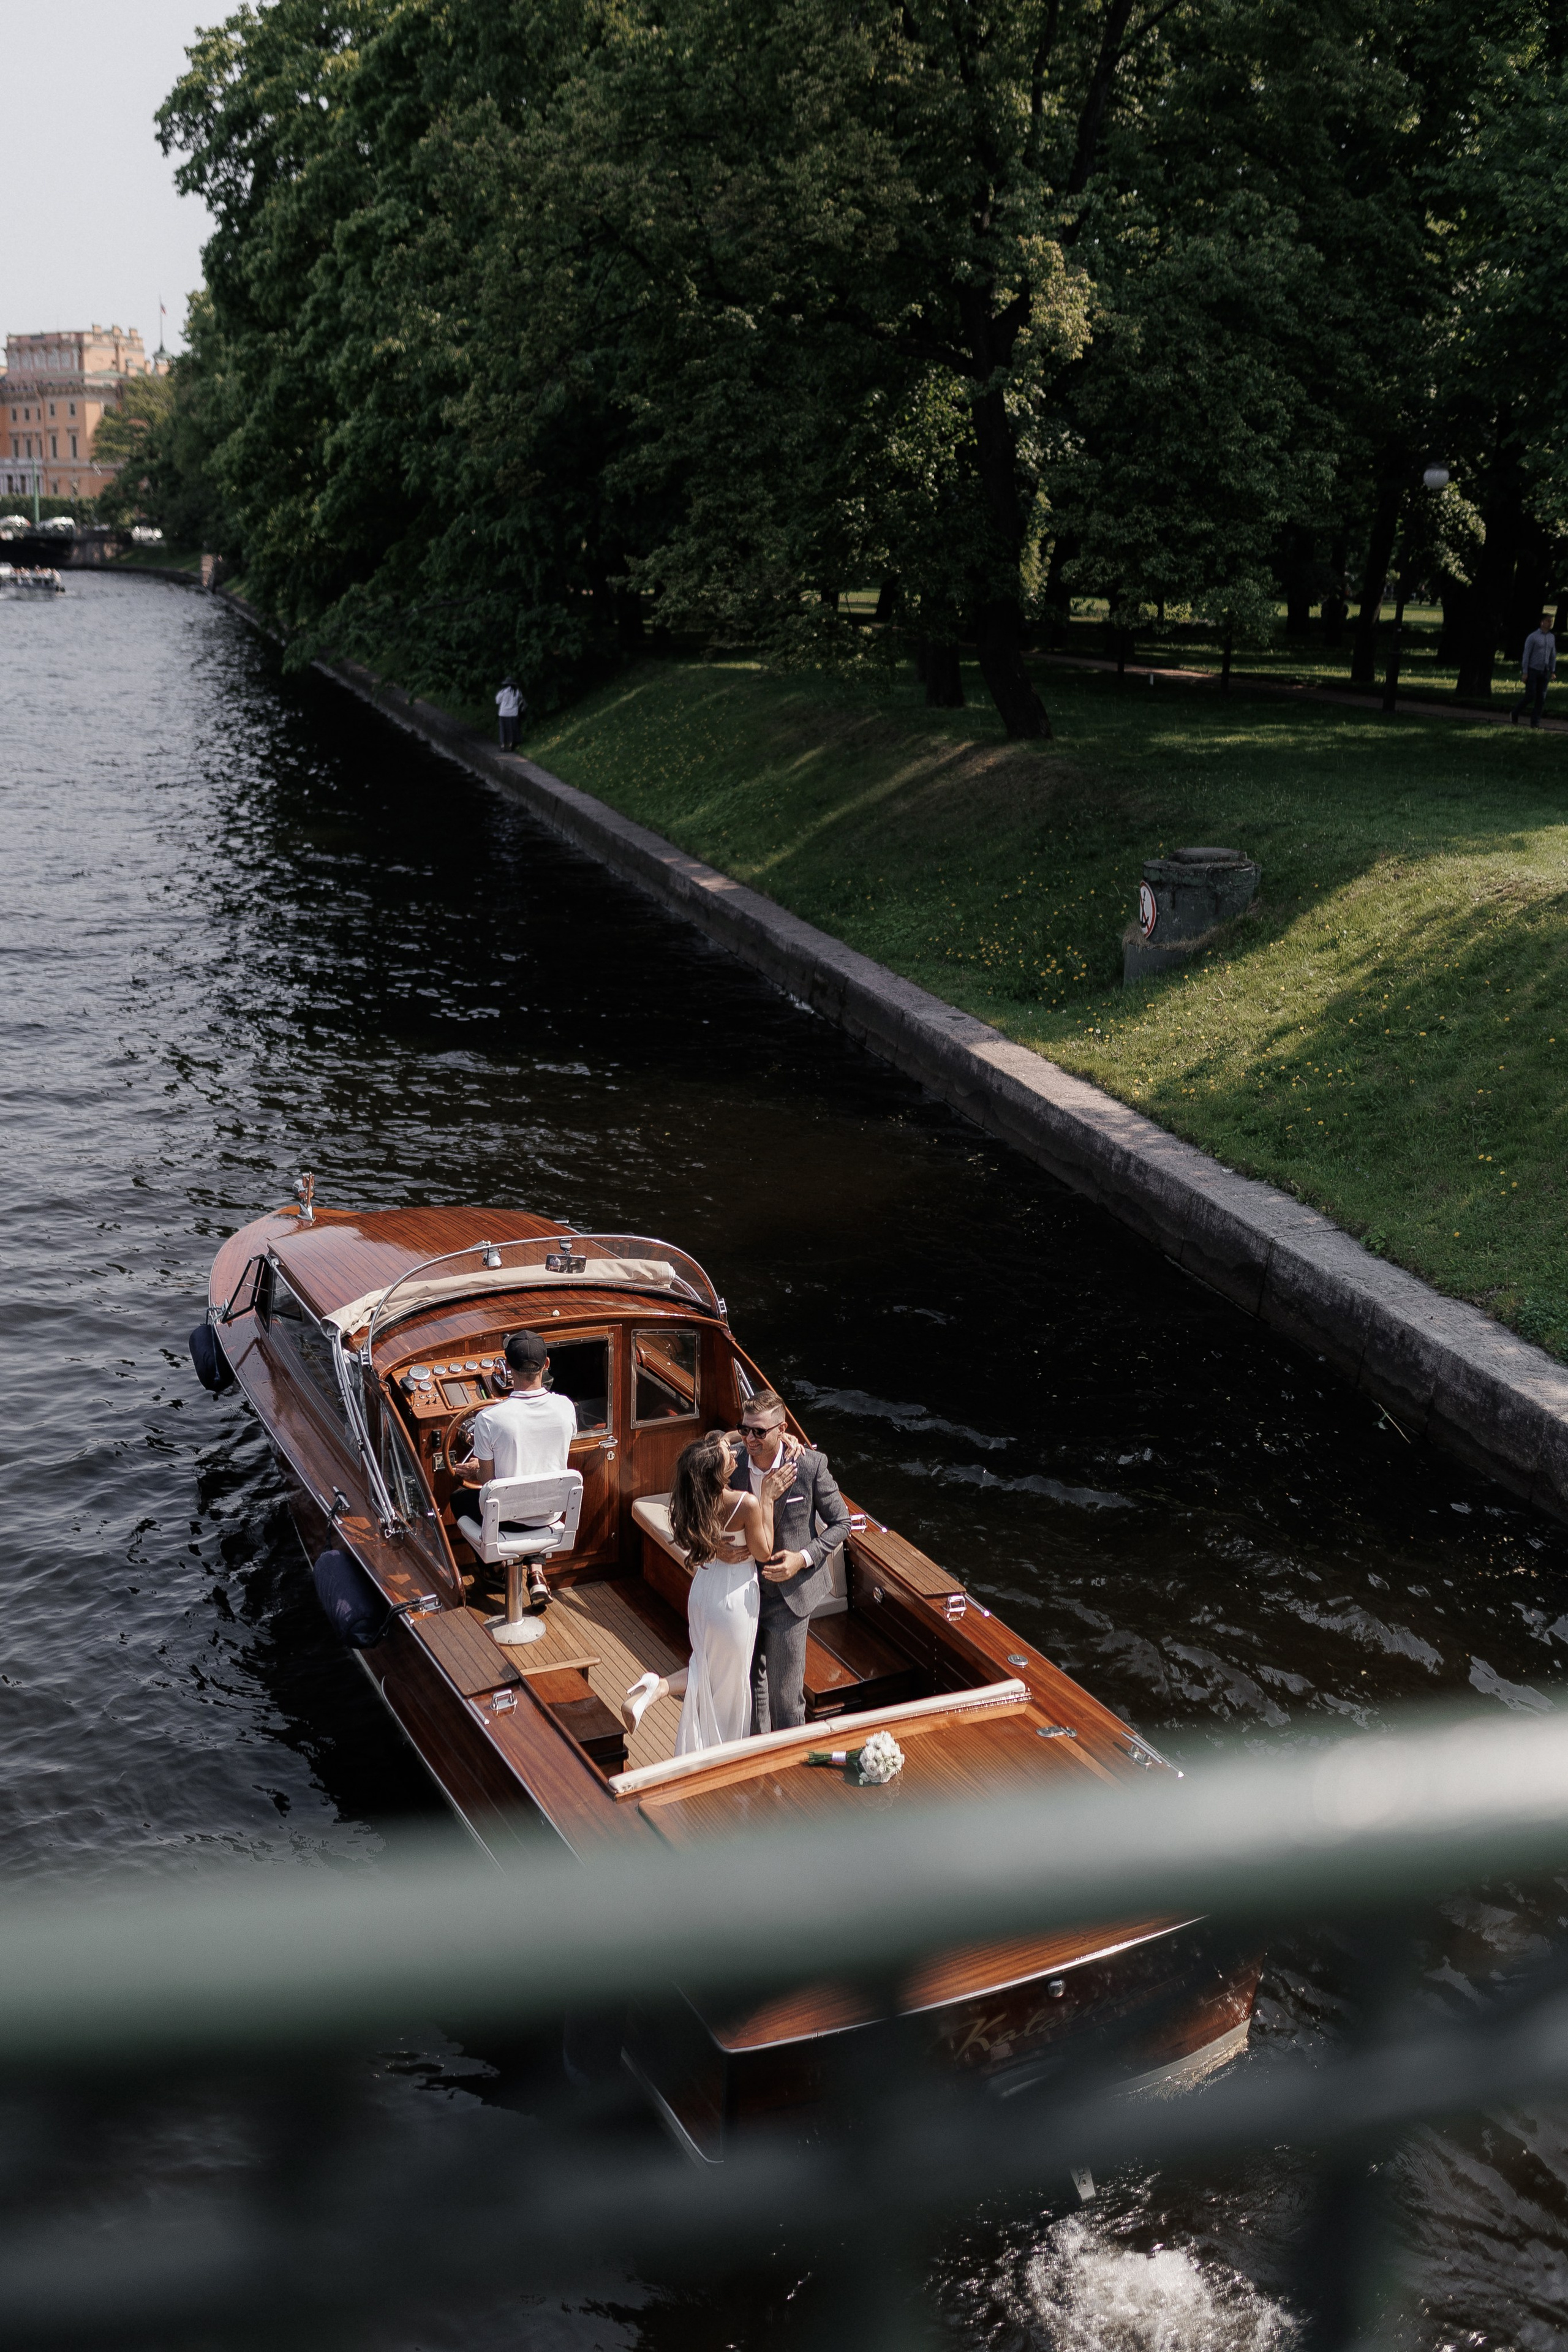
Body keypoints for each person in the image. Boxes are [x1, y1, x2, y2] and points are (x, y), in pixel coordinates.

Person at [620, 1431, 794, 1753]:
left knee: (707, 1667)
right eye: (729, 1454)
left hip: (704, 1590)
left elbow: (713, 1444)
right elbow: (763, 1551)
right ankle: (718, 1760)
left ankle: (657, 1688)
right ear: (719, 1470)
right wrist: (767, 1498)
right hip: (733, 1602)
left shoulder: (693, 1497)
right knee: (730, 1689)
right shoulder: (745, 1503)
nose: (735, 1453)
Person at [731, 1388, 851, 1733]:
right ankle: (758, 1764)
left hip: (791, 1597)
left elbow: (842, 1522)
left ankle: (790, 1776)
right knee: (749, 1689)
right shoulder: (731, 1464)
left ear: (782, 1430)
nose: (750, 1438)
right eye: (744, 1429)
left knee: (786, 1699)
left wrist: (802, 1558)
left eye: (759, 1431)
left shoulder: (810, 1467)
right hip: (744, 1589)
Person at [447, 1330, 576, 1610]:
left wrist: (472, 1471)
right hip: (550, 1514)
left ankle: (494, 1572)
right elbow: (548, 1454)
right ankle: (535, 1571)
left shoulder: (489, 1419)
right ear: (547, 1365)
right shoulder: (566, 1408)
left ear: (507, 1368)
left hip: (507, 1519)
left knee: (459, 1499)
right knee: (530, 1493)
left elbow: (487, 1480)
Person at [1512, 618, 1558, 729]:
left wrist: (1553, 670)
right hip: (1533, 670)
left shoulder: (1552, 637)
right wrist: (1525, 672)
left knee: (1541, 698)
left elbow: (1553, 654)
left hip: (1545, 671)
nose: (1550, 623)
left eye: (1551, 621)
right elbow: (1526, 655)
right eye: (1548, 621)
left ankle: (1535, 723)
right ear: (1542, 622)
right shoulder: (1533, 637)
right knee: (1530, 696)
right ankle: (1515, 713)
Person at [495, 676, 526, 750]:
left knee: (503, 729)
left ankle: (502, 745)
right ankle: (510, 745)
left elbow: (497, 701)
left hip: (503, 713)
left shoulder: (502, 692)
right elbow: (521, 701)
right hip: (513, 713)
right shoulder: (517, 692)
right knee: (511, 730)